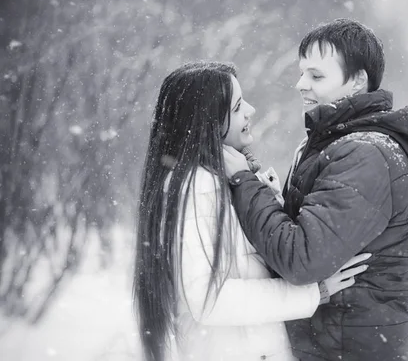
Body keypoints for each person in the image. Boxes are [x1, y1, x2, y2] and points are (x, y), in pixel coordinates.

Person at [223, 19, 408, 361]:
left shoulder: (364, 154)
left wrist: (244, 183)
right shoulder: (334, 143)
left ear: (357, 81)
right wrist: (273, 199)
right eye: (301, 73)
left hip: (346, 348)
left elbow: (302, 260)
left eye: (316, 76)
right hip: (335, 341)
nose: (300, 84)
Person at [132, 61, 371, 361]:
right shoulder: (195, 186)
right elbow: (210, 299)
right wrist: (313, 293)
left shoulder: (221, 179)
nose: (250, 110)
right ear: (208, 121)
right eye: (236, 107)